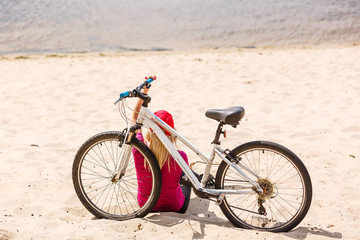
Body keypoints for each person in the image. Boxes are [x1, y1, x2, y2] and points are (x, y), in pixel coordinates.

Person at [131, 79, 191, 213]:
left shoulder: (139, 151)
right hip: (175, 207)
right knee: (187, 177)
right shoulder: (180, 156)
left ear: (150, 132)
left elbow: (134, 118)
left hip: (146, 205)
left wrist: (144, 92)